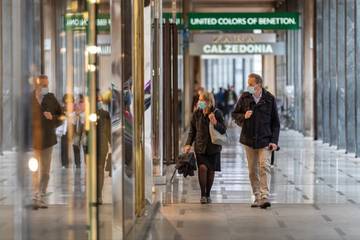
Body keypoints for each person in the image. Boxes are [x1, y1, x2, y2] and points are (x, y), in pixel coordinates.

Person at [232, 73, 280, 209]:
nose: (248, 86)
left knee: (264, 166)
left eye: (251, 84)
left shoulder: (269, 99)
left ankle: (265, 196)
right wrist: (243, 116)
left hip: (265, 140)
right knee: (252, 170)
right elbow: (234, 114)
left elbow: (276, 123)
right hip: (248, 139)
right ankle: (257, 195)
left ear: (258, 84)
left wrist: (274, 141)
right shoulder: (245, 97)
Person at [184, 91, 227, 204]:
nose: (199, 102)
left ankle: (208, 193)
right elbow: (192, 131)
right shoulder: (197, 113)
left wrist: (215, 122)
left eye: (201, 100)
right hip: (200, 146)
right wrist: (188, 144)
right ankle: (203, 195)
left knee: (211, 171)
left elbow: (223, 129)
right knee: (202, 169)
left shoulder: (217, 113)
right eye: (199, 100)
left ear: (208, 101)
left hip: (213, 147)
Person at [32, 75, 63, 209]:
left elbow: (62, 116)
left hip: (48, 141)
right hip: (33, 141)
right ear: (37, 85)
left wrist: (53, 118)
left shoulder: (51, 98)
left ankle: (42, 194)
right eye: (43, 85)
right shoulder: (29, 99)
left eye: (47, 85)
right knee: (34, 169)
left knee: (45, 171)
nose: (45, 87)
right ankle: (35, 194)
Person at [96, 92, 111, 204]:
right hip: (90, 146)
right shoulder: (87, 114)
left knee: (100, 169)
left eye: (99, 100)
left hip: (102, 145)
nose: (98, 102)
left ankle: (99, 195)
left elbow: (110, 132)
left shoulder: (106, 114)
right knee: (93, 170)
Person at [56, 94, 75, 169]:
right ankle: (64, 163)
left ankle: (74, 161)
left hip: (73, 129)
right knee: (64, 146)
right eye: (66, 102)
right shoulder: (62, 109)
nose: (68, 104)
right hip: (64, 130)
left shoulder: (74, 109)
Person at [73, 94, 87, 168]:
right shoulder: (75, 114)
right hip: (77, 132)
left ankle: (86, 162)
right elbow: (73, 124)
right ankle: (77, 164)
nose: (79, 105)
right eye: (78, 102)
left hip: (85, 133)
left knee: (85, 146)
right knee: (75, 145)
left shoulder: (87, 114)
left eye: (81, 102)